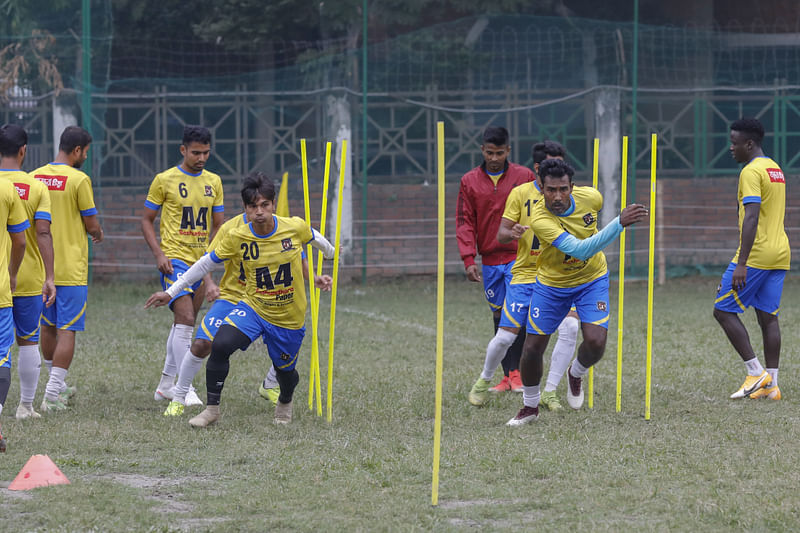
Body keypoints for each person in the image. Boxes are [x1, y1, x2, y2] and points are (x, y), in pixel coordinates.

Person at [145, 172, 334, 426]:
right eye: (253, 206)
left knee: (286, 372)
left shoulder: (293, 227)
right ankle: (210, 410)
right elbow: (203, 265)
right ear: (245, 208)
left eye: (264, 205)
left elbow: (317, 240)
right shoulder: (236, 235)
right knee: (220, 344)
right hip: (253, 306)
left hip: (288, 315)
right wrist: (171, 291)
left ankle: (285, 400)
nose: (259, 212)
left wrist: (331, 254)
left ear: (273, 204)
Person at [506, 159, 647, 426]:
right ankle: (530, 407)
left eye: (562, 189)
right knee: (533, 348)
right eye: (550, 190)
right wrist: (619, 222)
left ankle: (575, 372)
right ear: (541, 189)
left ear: (572, 187)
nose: (557, 196)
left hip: (591, 279)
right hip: (552, 285)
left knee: (595, 343)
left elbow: (589, 236)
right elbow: (581, 250)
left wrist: (613, 223)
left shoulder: (592, 197)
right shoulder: (539, 217)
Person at [467, 141, 580, 411]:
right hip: (526, 274)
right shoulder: (520, 194)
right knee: (506, 337)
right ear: (539, 170)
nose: (557, 175)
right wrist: (513, 232)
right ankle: (483, 380)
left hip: (560, 275)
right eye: (551, 167)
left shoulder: (574, 196)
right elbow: (501, 234)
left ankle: (550, 391)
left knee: (571, 327)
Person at [142, 125, 224, 407]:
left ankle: (166, 384)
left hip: (199, 263)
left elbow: (218, 226)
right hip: (174, 260)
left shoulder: (214, 181)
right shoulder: (164, 180)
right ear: (183, 150)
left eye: (206, 153)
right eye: (196, 153)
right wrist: (158, 254)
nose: (201, 158)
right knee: (187, 319)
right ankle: (183, 388)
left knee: (183, 323)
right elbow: (146, 219)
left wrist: (210, 265)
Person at [713, 118, 790, 401]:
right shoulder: (775, 168)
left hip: (757, 254)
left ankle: (756, 372)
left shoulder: (751, 171)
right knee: (768, 318)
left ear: (749, 144)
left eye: (734, 143)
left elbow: (753, 215)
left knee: (722, 310)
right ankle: (772, 385)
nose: (730, 148)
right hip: (780, 252)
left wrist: (742, 263)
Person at [456, 126, 534, 393]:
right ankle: (507, 375)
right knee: (499, 314)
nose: (494, 158)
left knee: (518, 313)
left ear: (508, 151)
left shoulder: (524, 176)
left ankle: (518, 374)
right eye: (489, 153)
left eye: (499, 153)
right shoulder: (469, 181)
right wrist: (468, 258)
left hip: (519, 256)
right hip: (490, 260)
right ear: (482, 150)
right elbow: (465, 221)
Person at [31, 126, 103, 413]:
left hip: (41, 268)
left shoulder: (34, 176)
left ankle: (58, 386)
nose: (85, 156)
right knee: (68, 329)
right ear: (77, 151)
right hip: (71, 268)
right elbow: (91, 222)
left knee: (47, 326)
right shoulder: (79, 179)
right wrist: (97, 233)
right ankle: (51, 395)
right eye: (85, 152)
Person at [0, 124, 55, 419]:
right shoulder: (36, 186)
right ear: (24, 151)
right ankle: (25, 406)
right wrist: (49, 276)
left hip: (1, 276)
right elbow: (43, 232)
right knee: (28, 339)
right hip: (27, 276)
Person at [0, 153, 29, 451]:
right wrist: (11, 273)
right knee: (0, 357)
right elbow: (20, 240)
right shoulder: (7, 189)